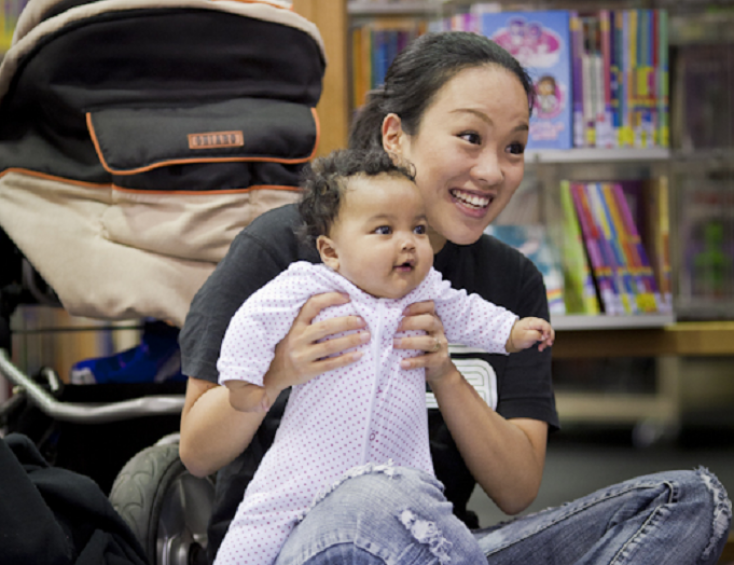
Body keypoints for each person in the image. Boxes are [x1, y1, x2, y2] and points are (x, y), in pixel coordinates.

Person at [179, 31, 731, 565]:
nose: (492, 171)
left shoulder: (510, 282)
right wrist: (278, 371)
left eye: (513, 146)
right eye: (470, 137)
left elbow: (516, 490)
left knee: (689, 503)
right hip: (297, 542)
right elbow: (197, 453)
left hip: (447, 546)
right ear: (396, 136)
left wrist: (444, 372)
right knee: (371, 498)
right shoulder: (289, 249)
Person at [214, 149, 554, 565]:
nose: (407, 241)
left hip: (402, 479)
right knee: (250, 541)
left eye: (418, 228)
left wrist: (511, 332)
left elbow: (468, 311)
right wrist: (245, 380)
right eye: (383, 230)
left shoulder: (426, 290)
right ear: (331, 251)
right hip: (303, 476)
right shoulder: (311, 285)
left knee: (431, 529)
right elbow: (251, 321)